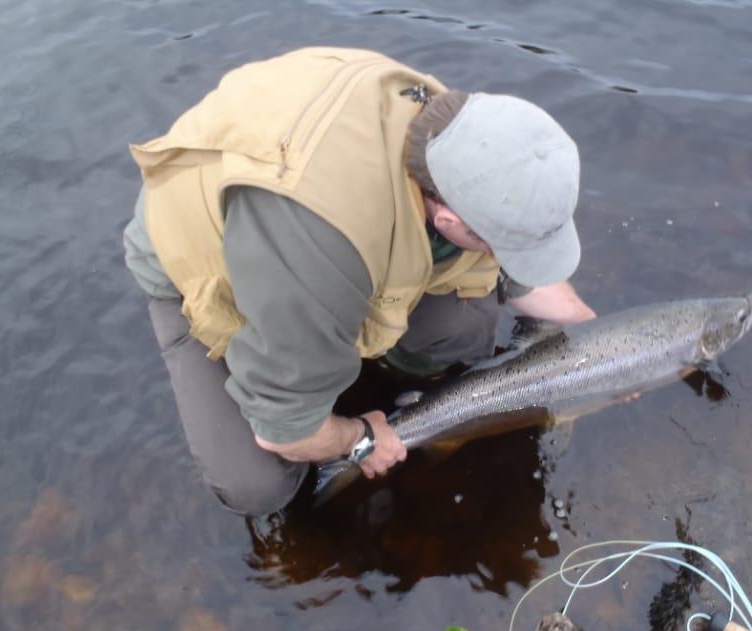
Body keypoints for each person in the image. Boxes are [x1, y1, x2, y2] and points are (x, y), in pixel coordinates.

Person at [123, 46, 595, 516]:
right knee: (259, 487)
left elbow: (516, 271)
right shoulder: (317, 243)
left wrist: (588, 333)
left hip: (318, 248)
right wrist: (362, 437)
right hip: (199, 264)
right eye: (501, 245)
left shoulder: (461, 138)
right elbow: (283, 431)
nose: (504, 259)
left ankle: (343, 359)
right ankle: (313, 370)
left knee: (465, 328)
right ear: (449, 220)